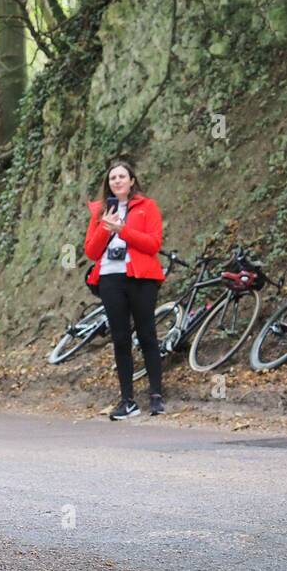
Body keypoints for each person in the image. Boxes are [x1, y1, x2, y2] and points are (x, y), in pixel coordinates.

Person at [82, 157, 165, 419]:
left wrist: (123, 229)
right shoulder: (99, 211)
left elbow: (153, 244)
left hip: (141, 278)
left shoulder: (147, 207)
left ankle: (156, 395)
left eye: (121, 177)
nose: (117, 181)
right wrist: (106, 229)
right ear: (108, 184)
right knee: (120, 338)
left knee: (147, 334)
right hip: (110, 278)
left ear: (131, 181)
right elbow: (91, 252)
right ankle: (127, 400)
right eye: (112, 178)